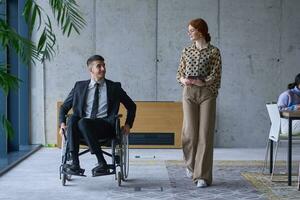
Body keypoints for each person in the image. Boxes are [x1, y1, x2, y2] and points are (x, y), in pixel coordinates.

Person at [59, 55, 136, 176]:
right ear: (91, 70)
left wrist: (128, 124)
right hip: (81, 128)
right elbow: (64, 107)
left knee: (82, 122)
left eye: (104, 65)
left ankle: (102, 162)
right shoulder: (79, 87)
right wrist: (62, 124)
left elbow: (131, 106)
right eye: (99, 66)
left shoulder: (114, 87)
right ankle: (75, 163)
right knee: (74, 119)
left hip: (104, 127)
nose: (103, 69)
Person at [176, 18, 222, 188]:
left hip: (207, 93)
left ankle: (202, 176)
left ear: (201, 31)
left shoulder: (214, 52)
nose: (189, 33)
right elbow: (179, 73)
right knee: (189, 132)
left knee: (205, 134)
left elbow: (216, 74)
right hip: (189, 92)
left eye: (191, 30)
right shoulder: (186, 51)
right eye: (188, 30)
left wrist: (203, 82)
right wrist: (184, 80)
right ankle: (190, 165)